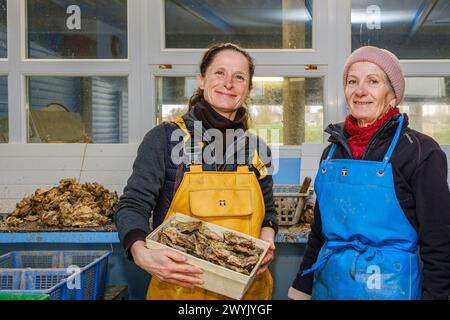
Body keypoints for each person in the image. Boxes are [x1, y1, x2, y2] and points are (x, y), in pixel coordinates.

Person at [115, 42, 278, 300]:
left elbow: (268, 212)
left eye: (239, 77)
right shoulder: (165, 139)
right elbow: (132, 205)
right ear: (201, 80)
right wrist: (140, 252)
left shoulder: (256, 149)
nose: (229, 83)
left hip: (248, 293)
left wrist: (267, 240)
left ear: (248, 89)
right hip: (180, 289)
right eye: (219, 73)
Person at [288, 46, 450, 300]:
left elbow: (439, 242)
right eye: (352, 81)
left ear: (393, 95)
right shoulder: (331, 153)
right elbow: (320, 231)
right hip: (330, 287)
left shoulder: (420, 151)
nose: (360, 90)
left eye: (373, 81)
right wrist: (302, 285)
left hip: (391, 287)